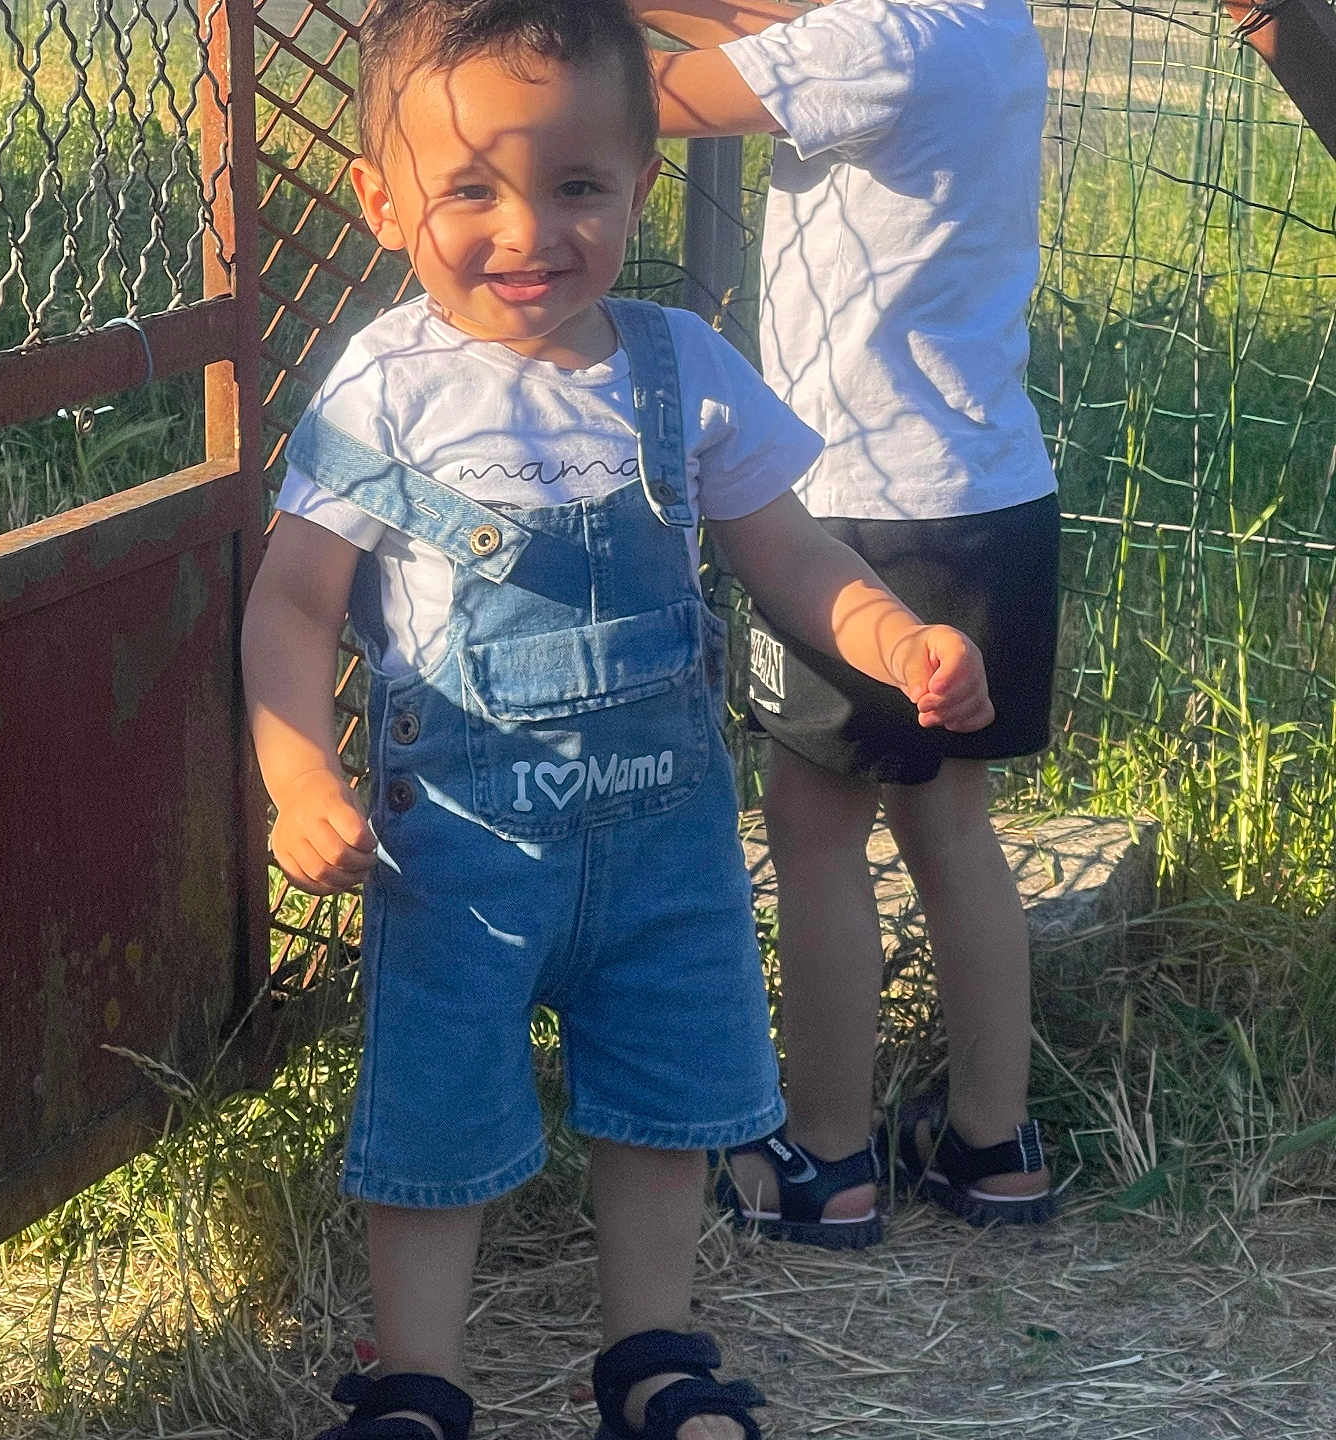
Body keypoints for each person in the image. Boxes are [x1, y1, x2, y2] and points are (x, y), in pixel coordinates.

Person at [241, 2, 993, 1436]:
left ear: (641, 185)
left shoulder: (679, 370)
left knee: (660, 1109)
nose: (529, 231)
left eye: (577, 185)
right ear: (383, 198)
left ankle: (654, 1357)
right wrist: (299, 780)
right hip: (457, 855)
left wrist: (891, 636)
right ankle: (417, 1379)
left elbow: (789, 552)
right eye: (472, 187)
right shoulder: (385, 386)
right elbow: (288, 604)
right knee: (440, 1121)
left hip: (663, 853)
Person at [633, 0, 1061, 1248]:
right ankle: (995, 1141)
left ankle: (825, 1156)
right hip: (992, 493)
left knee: (815, 836)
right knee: (952, 828)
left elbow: (657, 95)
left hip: (862, 522)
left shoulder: (878, 40)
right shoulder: (988, 26)